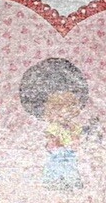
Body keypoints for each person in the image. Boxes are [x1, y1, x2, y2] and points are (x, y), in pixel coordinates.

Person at [18, 58, 94, 189]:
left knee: (71, 172)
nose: (65, 111)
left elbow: (79, 137)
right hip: (58, 157)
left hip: (70, 157)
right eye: (57, 107)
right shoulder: (52, 128)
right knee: (57, 172)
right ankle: (54, 183)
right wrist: (58, 143)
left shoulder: (74, 126)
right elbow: (51, 143)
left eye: (71, 105)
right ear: (42, 111)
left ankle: (71, 183)